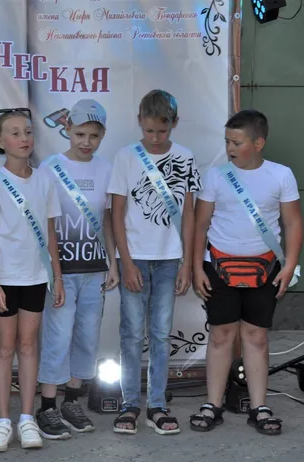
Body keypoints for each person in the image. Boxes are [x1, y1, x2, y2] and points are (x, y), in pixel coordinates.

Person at [190, 109, 302, 435]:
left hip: (265, 268)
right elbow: (200, 224)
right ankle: (212, 404)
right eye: (227, 141)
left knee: (256, 336)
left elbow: (293, 222)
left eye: (236, 142)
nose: (229, 148)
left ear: (259, 142)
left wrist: (289, 265)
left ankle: (259, 407)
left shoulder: (281, 175)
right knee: (221, 335)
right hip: (218, 266)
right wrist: (196, 267)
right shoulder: (215, 176)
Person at [108, 90, 201, 435]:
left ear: (174, 123)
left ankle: (157, 404)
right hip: (134, 258)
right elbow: (116, 214)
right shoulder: (125, 157)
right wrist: (126, 262)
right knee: (132, 335)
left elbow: (189, 214)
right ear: (139, 123)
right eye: (149, 131)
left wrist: (186, 264)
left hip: (169, 260)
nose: (156, 138)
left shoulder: (186, 157)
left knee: (161, 335)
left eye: (162, 131)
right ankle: (130, 403)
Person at [0, 108, 65, 452]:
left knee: (29, 346)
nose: (24, 138)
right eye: (14, 133)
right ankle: (3, 421)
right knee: (5, 347)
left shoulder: (45, 179)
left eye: (28, 132)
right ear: (0, 141)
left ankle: (27, 418)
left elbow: (50, 232)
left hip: (35, 276)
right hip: (5, 278)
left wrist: (56, 276)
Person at [34, 99, 119, 439]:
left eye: (94, 136)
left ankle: (72, 401)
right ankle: (47, 406)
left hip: (94, 269)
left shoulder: (107, 169)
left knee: (86, 336)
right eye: (80, 134)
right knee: (58, 335)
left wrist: (113, 263)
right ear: (67, 129)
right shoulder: (50, 168)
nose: (86, 142)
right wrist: (52, 272)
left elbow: (108, 220)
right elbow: (43, 223)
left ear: (103, 135)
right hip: (61, 271)